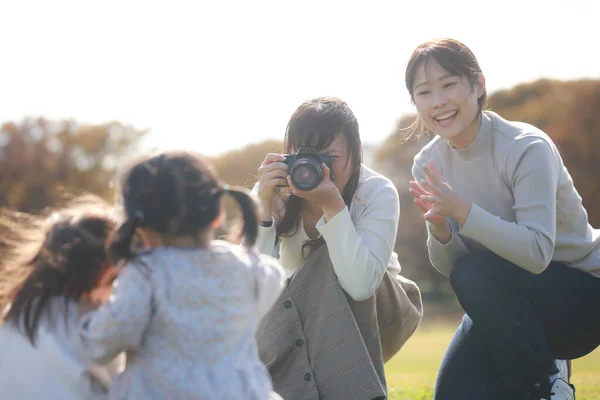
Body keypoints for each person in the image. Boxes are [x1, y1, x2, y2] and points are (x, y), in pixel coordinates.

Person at [406, 38, 600, 400]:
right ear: (415, 102)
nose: (439, 101)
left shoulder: (527, 147)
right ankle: (544, 368)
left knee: (475, 271)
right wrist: (441, 231)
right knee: (454, 394)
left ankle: (546, 386)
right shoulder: (427, 163)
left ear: (478, 85)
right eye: (424, 92)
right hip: (507, 303)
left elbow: (536, 253)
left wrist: (462, 210)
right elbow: (452, 268)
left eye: (449, 85)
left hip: (583, 295)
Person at [77, 150, 285, 399]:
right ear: (217, 213)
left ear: (139, 225)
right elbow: (273, 282)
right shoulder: (247, 267)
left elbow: (101, 345)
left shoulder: (146, 274)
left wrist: (88, 314)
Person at [253, 96, 423, 399]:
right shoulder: (274, 190)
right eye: (304, 157)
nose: (316, 169)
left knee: (327, 258)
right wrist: (263, 208)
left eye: (328, 158)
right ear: (287, 154)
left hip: (378, 311)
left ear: (357, 154)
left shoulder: (375, 191)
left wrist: (333, 208)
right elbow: (252, 287)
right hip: (294, 319)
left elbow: (361, 286)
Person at [0, 197, 124, 399]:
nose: (118, 293)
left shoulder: (17, 317)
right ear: (100, 276)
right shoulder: (88, 326)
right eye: (114, 281)